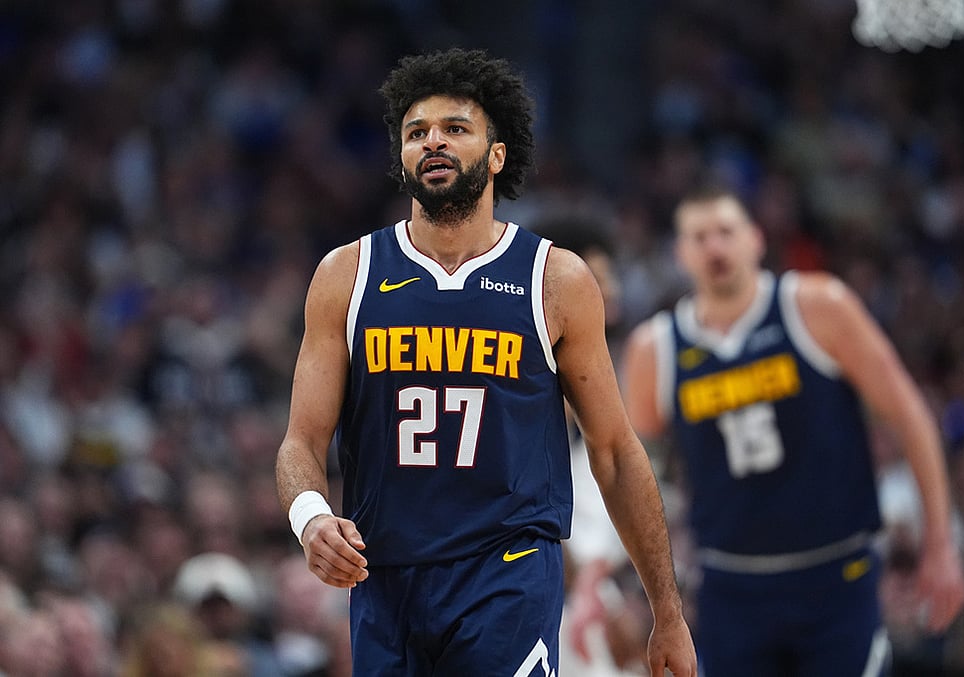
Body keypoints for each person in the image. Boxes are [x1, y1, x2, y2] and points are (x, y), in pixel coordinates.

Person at [274, 47, 696, 677]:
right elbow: (300, 442)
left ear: (497, 155)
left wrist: (667, 609)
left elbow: (613, 450)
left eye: (455, 129)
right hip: (385, 577)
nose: (433, 143)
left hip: (507, 571)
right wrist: (310, 518)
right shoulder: (347, 275)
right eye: (417, 133)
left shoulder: (554, 278)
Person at [622, 186, 964, 676]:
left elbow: (910, 413)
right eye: (699, 238)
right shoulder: (654, 348)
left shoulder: (817, 305)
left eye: (725, 232)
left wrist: (941, 542)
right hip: (729, 585)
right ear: (681, 255)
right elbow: (634, 469)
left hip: (836, 578)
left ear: (755, 240)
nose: (715, 248)